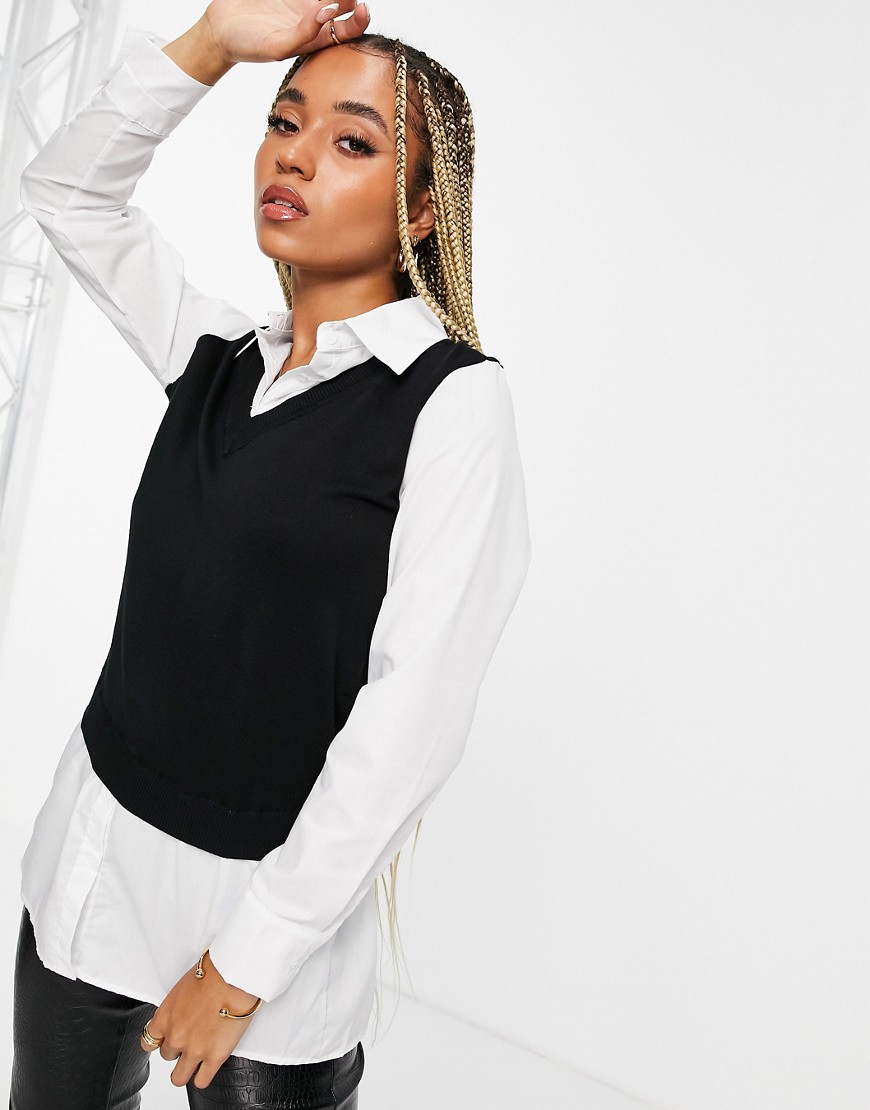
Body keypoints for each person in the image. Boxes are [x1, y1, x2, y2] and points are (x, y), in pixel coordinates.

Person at [10, 0, 532, 1105]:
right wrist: (211, 40)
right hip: (93, 870)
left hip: (268, 937)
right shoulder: (213, 357)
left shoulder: (450, 404)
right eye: (283, 121)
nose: (294, 155)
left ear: (422, 209)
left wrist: (243, 967)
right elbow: (65, 191)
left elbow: (414, 716)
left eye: (352, 142)